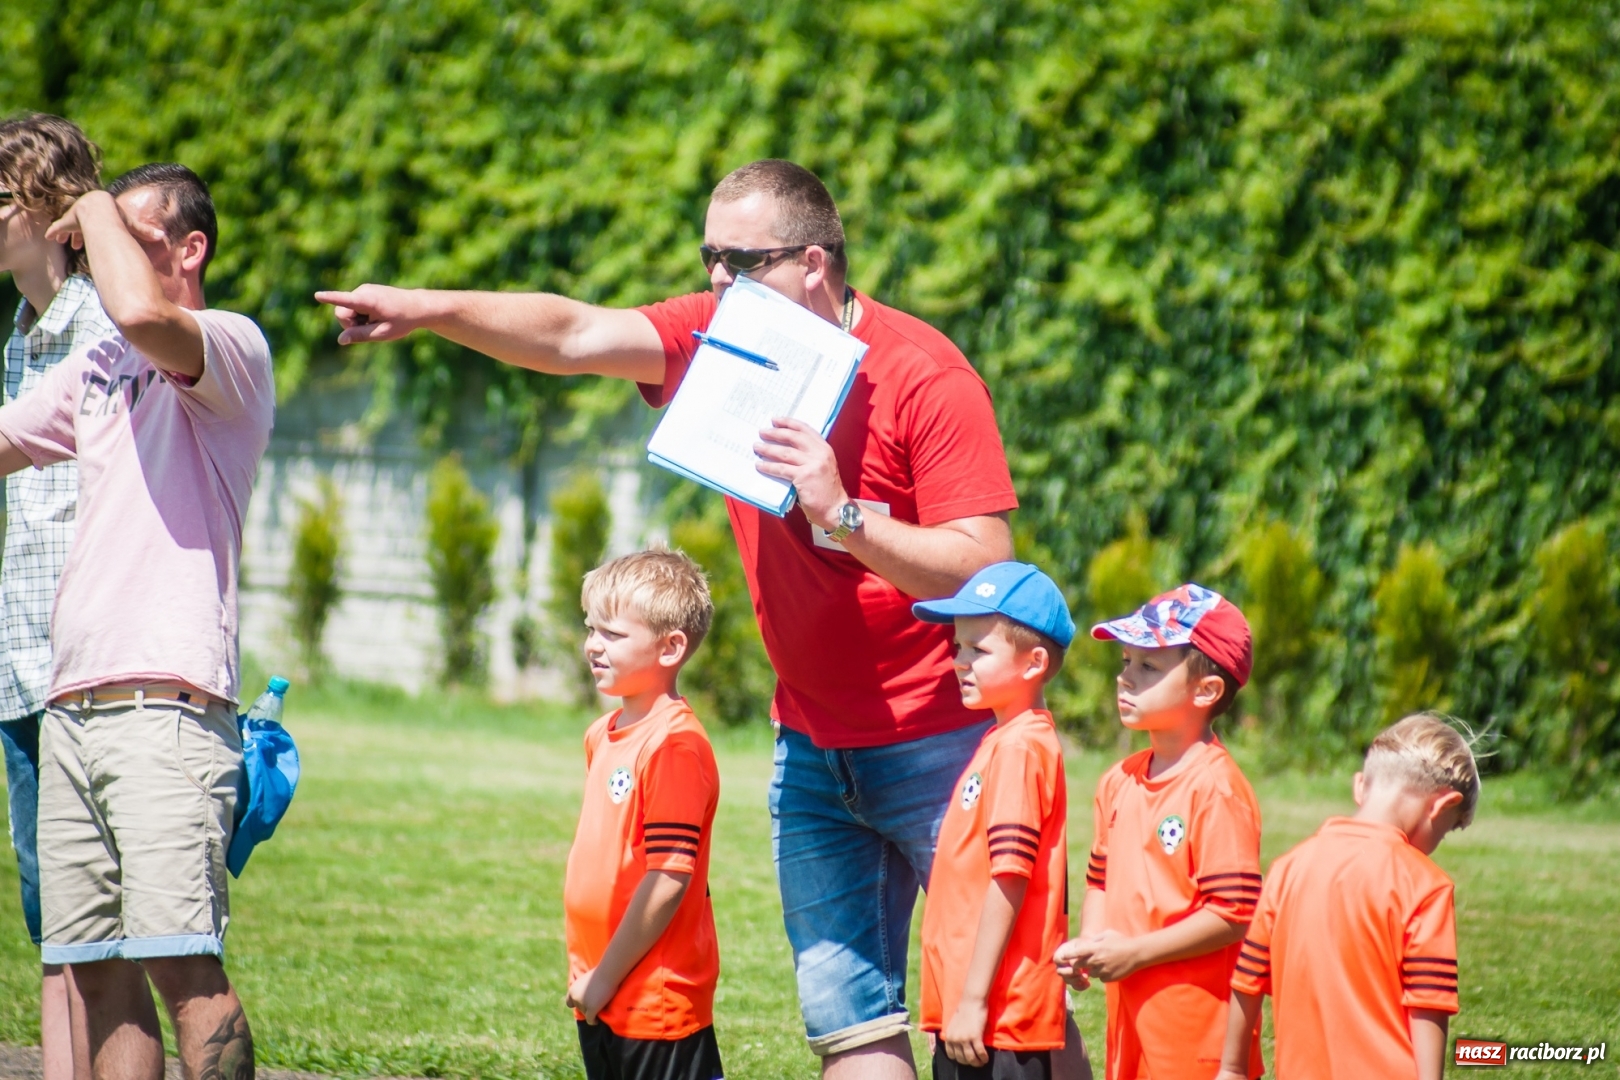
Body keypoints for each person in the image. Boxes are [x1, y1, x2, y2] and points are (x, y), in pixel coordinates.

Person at [318, 159, 1019, 1078]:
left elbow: (986, 564)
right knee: (850, 1026)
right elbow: (573, 333)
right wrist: (424, 308)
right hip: (811, 746)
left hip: (941, 739)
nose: (718, 279)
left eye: (742, 260)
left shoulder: (924, 376)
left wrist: (843, 513)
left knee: (1003, 1016)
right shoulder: (722, 335)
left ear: (813, 262)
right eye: (708, 257)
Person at [0, 163, 274, 1080]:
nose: (103, 247)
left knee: (180, 961)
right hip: (71, 707)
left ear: (191, 249)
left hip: (167, 708)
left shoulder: (229, 345)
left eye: (131, 233)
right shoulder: (98, 368)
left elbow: (139, 311)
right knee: (94, 970)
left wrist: (87, 206)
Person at [0, 111, 111, 1080]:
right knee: (51, 916)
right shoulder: (22, 335)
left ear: (52, 209)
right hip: (20, 663)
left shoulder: (107, 330)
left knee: (108, 928)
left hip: (87, 665)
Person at [1053, 585, 1263, 1080]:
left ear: (1206, 691)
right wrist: (1092, 943)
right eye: (1126, 660)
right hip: (1132, 1029)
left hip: (1199, 1041)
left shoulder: (1216, 788)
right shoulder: (1117, 781)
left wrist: (1134, 954)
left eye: (1148, 666)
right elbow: (1100, 880)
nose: (1124, 677)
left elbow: (1232, 915)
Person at [1216, 714, 1478, 1080]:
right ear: (1441, 806)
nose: (1438, 843)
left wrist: (1232, 1068)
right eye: (1447, 831)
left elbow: (1248, 979)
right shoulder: (1426, 886)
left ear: (1360, 786)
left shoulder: (1287, 868)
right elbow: (1428, 1003)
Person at [911, 563, 1086, 1080]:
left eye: (978, 650)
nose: (958, 661)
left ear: (1035, 663)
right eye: (958, 646)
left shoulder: (1020, 749)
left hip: (999, 1018)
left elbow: (1009, 878)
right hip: (980, 1013)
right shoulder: (1002, 741)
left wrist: (972, 1001)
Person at [563, 549, 724, 1080]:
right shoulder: (600, 734)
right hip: (602, 987)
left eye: (612, 634)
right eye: (591, 628)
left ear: (670, 647)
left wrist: (605, 977)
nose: (593, 644)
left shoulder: (674, 745)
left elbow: (668, 878)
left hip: (654, 1000)